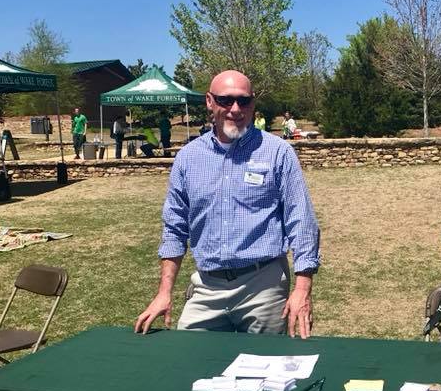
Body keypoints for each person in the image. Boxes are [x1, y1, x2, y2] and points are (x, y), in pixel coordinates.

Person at [135, 70, 320, 338]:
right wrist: (164, 293)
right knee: (190, 358)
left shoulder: (278, 153)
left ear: (253, 103)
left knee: (264, 362)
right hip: (206, 286)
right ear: (209, 102)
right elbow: (174, 228)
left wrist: (302, 290)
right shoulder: (188, 158)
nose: (235, 109)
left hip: (263, 286)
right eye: (225, 100)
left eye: (243, 101)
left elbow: (301, 221)